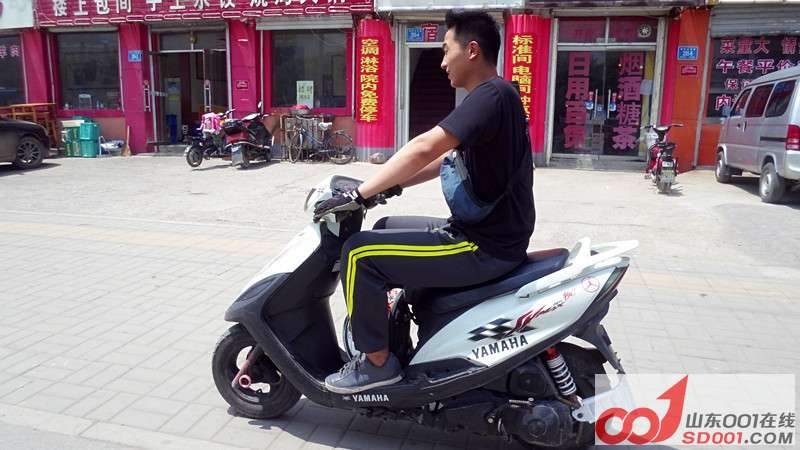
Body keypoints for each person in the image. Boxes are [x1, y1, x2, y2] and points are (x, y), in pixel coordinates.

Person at [313, 10, 535, 394]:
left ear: (472, 50)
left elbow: (424, 147)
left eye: (446, 50)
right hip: (489, 233)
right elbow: (446, 159)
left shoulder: (490, 96)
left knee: (359, 254)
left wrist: (357, 195)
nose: (442, 61)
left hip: (483, 245)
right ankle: (395, 329)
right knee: (384, 228)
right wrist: (385, 188)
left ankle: (377, 365)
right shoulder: (498, 95)